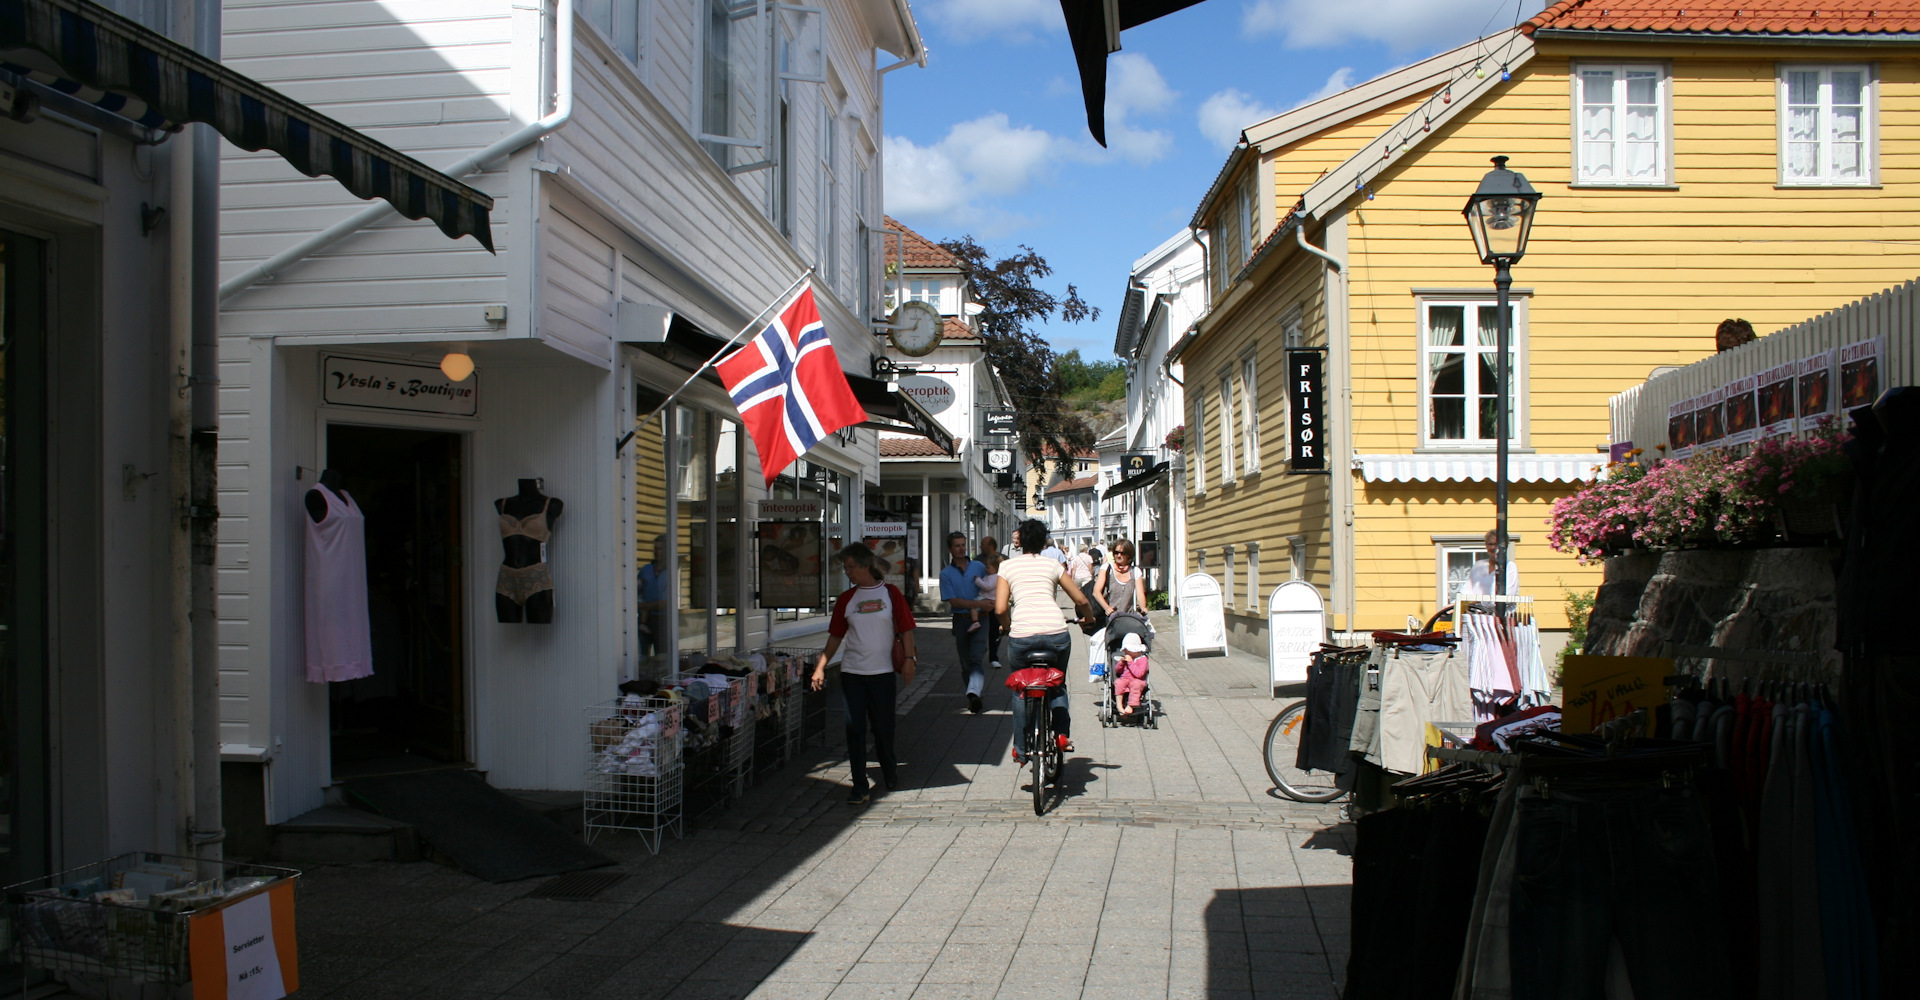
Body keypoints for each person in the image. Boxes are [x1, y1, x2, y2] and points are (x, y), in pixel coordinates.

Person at [812, 544, 917, 804]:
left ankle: (889, 768)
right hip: (853, 673)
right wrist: (821, 666)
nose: (847, 572)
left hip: (882, 673)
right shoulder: (847, 600)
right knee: (855, 729)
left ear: (865, 565)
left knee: (883, 728)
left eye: (850, 567)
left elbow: (906, 630)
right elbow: (836, 636)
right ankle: (859, 784)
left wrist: (909, 659)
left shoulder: (891, 594)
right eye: (845, 568)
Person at [997, 519, 1092, 764]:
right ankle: (1061, 734)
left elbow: (999, 608)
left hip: (1022, 636)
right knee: (1057, 683)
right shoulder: (1053, 565)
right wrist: (1088, 619)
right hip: (1055, 633)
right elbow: (1081, 600)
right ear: (1043, 542)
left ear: (1019, 542)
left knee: (1020, 688)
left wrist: (1008, 627)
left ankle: (1020, 747)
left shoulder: (1007, 567)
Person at [936, 531, 990, 714]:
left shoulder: (979, 567)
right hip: (961, 621)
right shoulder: (946, 574)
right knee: (966, 662)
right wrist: (977, 603)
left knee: (976, 657)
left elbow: (991, 586)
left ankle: (974, 693)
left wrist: (990, 604)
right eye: (957, 545)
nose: (961, 548)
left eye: (963, 544)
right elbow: (953, 601)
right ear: (950, 549)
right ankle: (972, 694)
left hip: (981, 619)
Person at [1088, 538, 1149, 679]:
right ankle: (1112, 674)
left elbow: (1140, 593)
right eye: (1116, 552)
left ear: (1130, 555)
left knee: (1134, 644)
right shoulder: (1107, 569)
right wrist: (1107, 607)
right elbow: (1096, 592)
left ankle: (1134, 673)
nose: (1118, 555)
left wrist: (1143, 607)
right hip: (1111, 617)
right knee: (1112, 646)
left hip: (1128, 617)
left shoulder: (1135, 572)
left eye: (1122, 553)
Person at [637, 535, 670, 662]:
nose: (657, 552)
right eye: (655, 549)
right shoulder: (646, 570)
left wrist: (645, 606)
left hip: (662, 620)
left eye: (660, 549)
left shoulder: (670, 571)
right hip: (644, 619)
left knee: (662, 658)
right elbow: (638, 591)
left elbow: (667, 603)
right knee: (641, 656)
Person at [1468, 529, 1521, 597]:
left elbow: (1509, 595)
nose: (1493, 547)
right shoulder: (1478, 565)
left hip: (1498, 608)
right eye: (1490, 544)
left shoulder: (1510, 566)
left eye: (1496, 544)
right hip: (1476, 607)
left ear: (1505, 546)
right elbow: (1467, 589)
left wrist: (1477, 601)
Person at [1112, 633, 1150, 716]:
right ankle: (1119, 705)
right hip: (1125, 678)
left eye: (1127, 650)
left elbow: (1139, 674)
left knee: (1136, 684)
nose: (1125, 652)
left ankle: (1131, 705)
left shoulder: (1143, 660)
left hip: (1137, 680)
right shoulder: (1126, 658)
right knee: (1118, 682)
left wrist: (1130, 662)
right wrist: (1121, 663)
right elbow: (1118, 671)